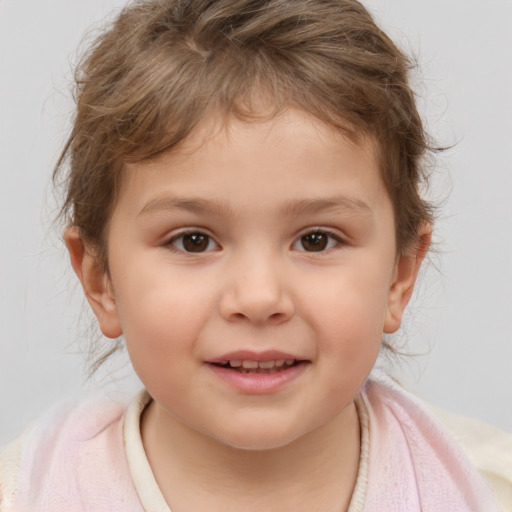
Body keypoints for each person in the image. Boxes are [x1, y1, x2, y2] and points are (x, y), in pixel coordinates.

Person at [0, 0, 510, 510]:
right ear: (100, 280)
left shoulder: (485, 490)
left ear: (400, 274)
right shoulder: (28, 495)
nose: (259, 297)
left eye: (316, 239)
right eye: (193, 240)